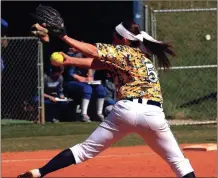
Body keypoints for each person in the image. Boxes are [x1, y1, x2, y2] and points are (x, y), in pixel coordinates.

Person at [18, 10, 195, 178]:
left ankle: (39, 172)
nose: (112, 39)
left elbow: (94, 51)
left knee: (83, 150)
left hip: (125, 110)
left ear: (124, 40)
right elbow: (97, 63)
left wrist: (63, 36)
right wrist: (71, 60)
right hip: (153, 114)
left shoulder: (122, 51)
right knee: (179, 161)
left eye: (115, 37)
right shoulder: (141, 56)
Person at [64, 48, 106, 122]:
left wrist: (90, 74)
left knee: (101, 89)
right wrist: (81, 78)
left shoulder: (93, 60)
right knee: (87, 88)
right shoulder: (76, 57)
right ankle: (84, 115)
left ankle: (99, 114)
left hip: (86, 82)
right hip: (72, 82)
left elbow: (90, 76)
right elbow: (70, 73)